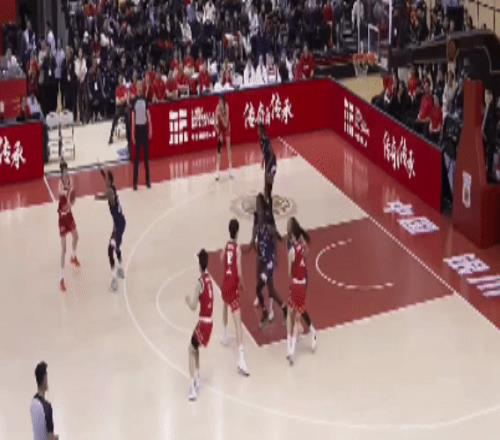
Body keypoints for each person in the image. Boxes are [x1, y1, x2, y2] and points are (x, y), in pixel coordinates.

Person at [250, 193, 286, 325]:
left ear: (263, 208)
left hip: (269, 260)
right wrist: (253, 244)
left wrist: (275, 255)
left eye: (259, 206)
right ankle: (266, 309)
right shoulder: (257, 219)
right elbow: (254, 233)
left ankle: (276, 310)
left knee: (270, 289)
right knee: (259, 285)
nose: (257, 208)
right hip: (261, 256)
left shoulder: (268, 222)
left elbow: (276, 236)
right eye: (256, 205)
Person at [220, 219, 250, 376]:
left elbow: (221, 258)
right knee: (238, 323)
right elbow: (239, 272)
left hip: (225, 283)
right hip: (232, 286)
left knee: (225, 305)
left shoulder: (226, 246)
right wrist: (242, 284)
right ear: (237, 232)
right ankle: (241, 360)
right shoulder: (237, 249)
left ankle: (224, 335)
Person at [286, 217, 317, 365]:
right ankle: (310, 331)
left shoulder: (295, 247)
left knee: (296, 314)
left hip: (299, 282)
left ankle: (291, 350)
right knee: (298, 311)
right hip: (299, 281)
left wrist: (296, 261)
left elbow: (290, 271)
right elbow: (303, 255)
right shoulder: (295, 245)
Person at [185, 249, 214, 401]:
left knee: (190, 349)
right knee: (195, 346)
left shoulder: (200, 282)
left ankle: (192, 387)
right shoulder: (209, 280)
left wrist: (187, 300)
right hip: (208, 322)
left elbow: (193, 306)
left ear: (199, 264)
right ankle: (197, 377)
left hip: (203, 323)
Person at [95, 167, 126, 292]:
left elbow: (107, 196)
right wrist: (101, 171)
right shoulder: (111, 186)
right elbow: (107, 182)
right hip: (120, 223)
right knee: (116, 247)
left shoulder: (110, 192)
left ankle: (114, 281)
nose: (105, 180)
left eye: (106, 179)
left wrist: (98, 197)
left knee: (110, 250)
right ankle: (120, 269)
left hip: (119, 226)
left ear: (109, 181)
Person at [58, 160, 80, 292]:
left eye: (67, 169)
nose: (66, 172)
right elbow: (61, 193)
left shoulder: (70, 180)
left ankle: (73, 257)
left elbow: (73, 198)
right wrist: (69, 192)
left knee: (76, 237)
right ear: (61, 172)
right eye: (64, 170)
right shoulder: (60, 182)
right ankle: (61, 279)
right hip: (62, 218)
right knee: (63, 248)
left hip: (69, 214)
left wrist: (71, 203)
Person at [131, 81, 152, 190]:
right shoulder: (134, 101)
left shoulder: (145, 99)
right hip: (137, 130)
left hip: (144, 129)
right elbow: (133, 118)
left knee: (146, 158)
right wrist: (132, 134)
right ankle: (135, 182)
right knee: (137, 159)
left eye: (141, 86)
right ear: (136, 88)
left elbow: (148, 115)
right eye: (138, 86)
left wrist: (150, 128)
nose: (139, 88)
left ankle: (148, 180)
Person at [30, 362, 59, 440]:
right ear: (45, 379)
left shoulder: (33, 403)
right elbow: (50, 437)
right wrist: (56, 438)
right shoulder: (47, 407)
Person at [214, 94, 232, 180]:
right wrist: (219, 134)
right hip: (220, 128)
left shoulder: (226, 106)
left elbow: (226, 122)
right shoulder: (217, 108)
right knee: (219, 150)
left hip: (226, 126)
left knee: (228, 148)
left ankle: (230, 170)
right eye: (219, 102)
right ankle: (217, 172)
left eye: (221, 102)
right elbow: (215, 123)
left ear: (224, 102)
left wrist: (221, 117)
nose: (219, 103)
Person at [258, 123, 277, 197]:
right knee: (266, 179)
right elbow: (264, 153)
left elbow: (272, 154)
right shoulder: (260, 140)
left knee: (270, 180)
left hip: (272, 162)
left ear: (262, 131)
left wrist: (268, 166)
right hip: (267, 161)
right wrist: (263, 162)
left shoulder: (266, 140)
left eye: (259, 130)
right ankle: (266, 194)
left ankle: (269, 195)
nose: (257, 131)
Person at [108, 75, 127, 144]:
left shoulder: (125, 88)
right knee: (114, 119)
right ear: (118, 81)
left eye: (121, 80)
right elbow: (117, 101)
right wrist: (122, 99)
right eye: (120, 80)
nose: (121, 82)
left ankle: (129, 135)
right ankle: (111, 137)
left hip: (124, 107)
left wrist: (121, 100)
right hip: (119, 108)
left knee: (128, 117)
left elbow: (126, 98)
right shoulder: (117, 89)